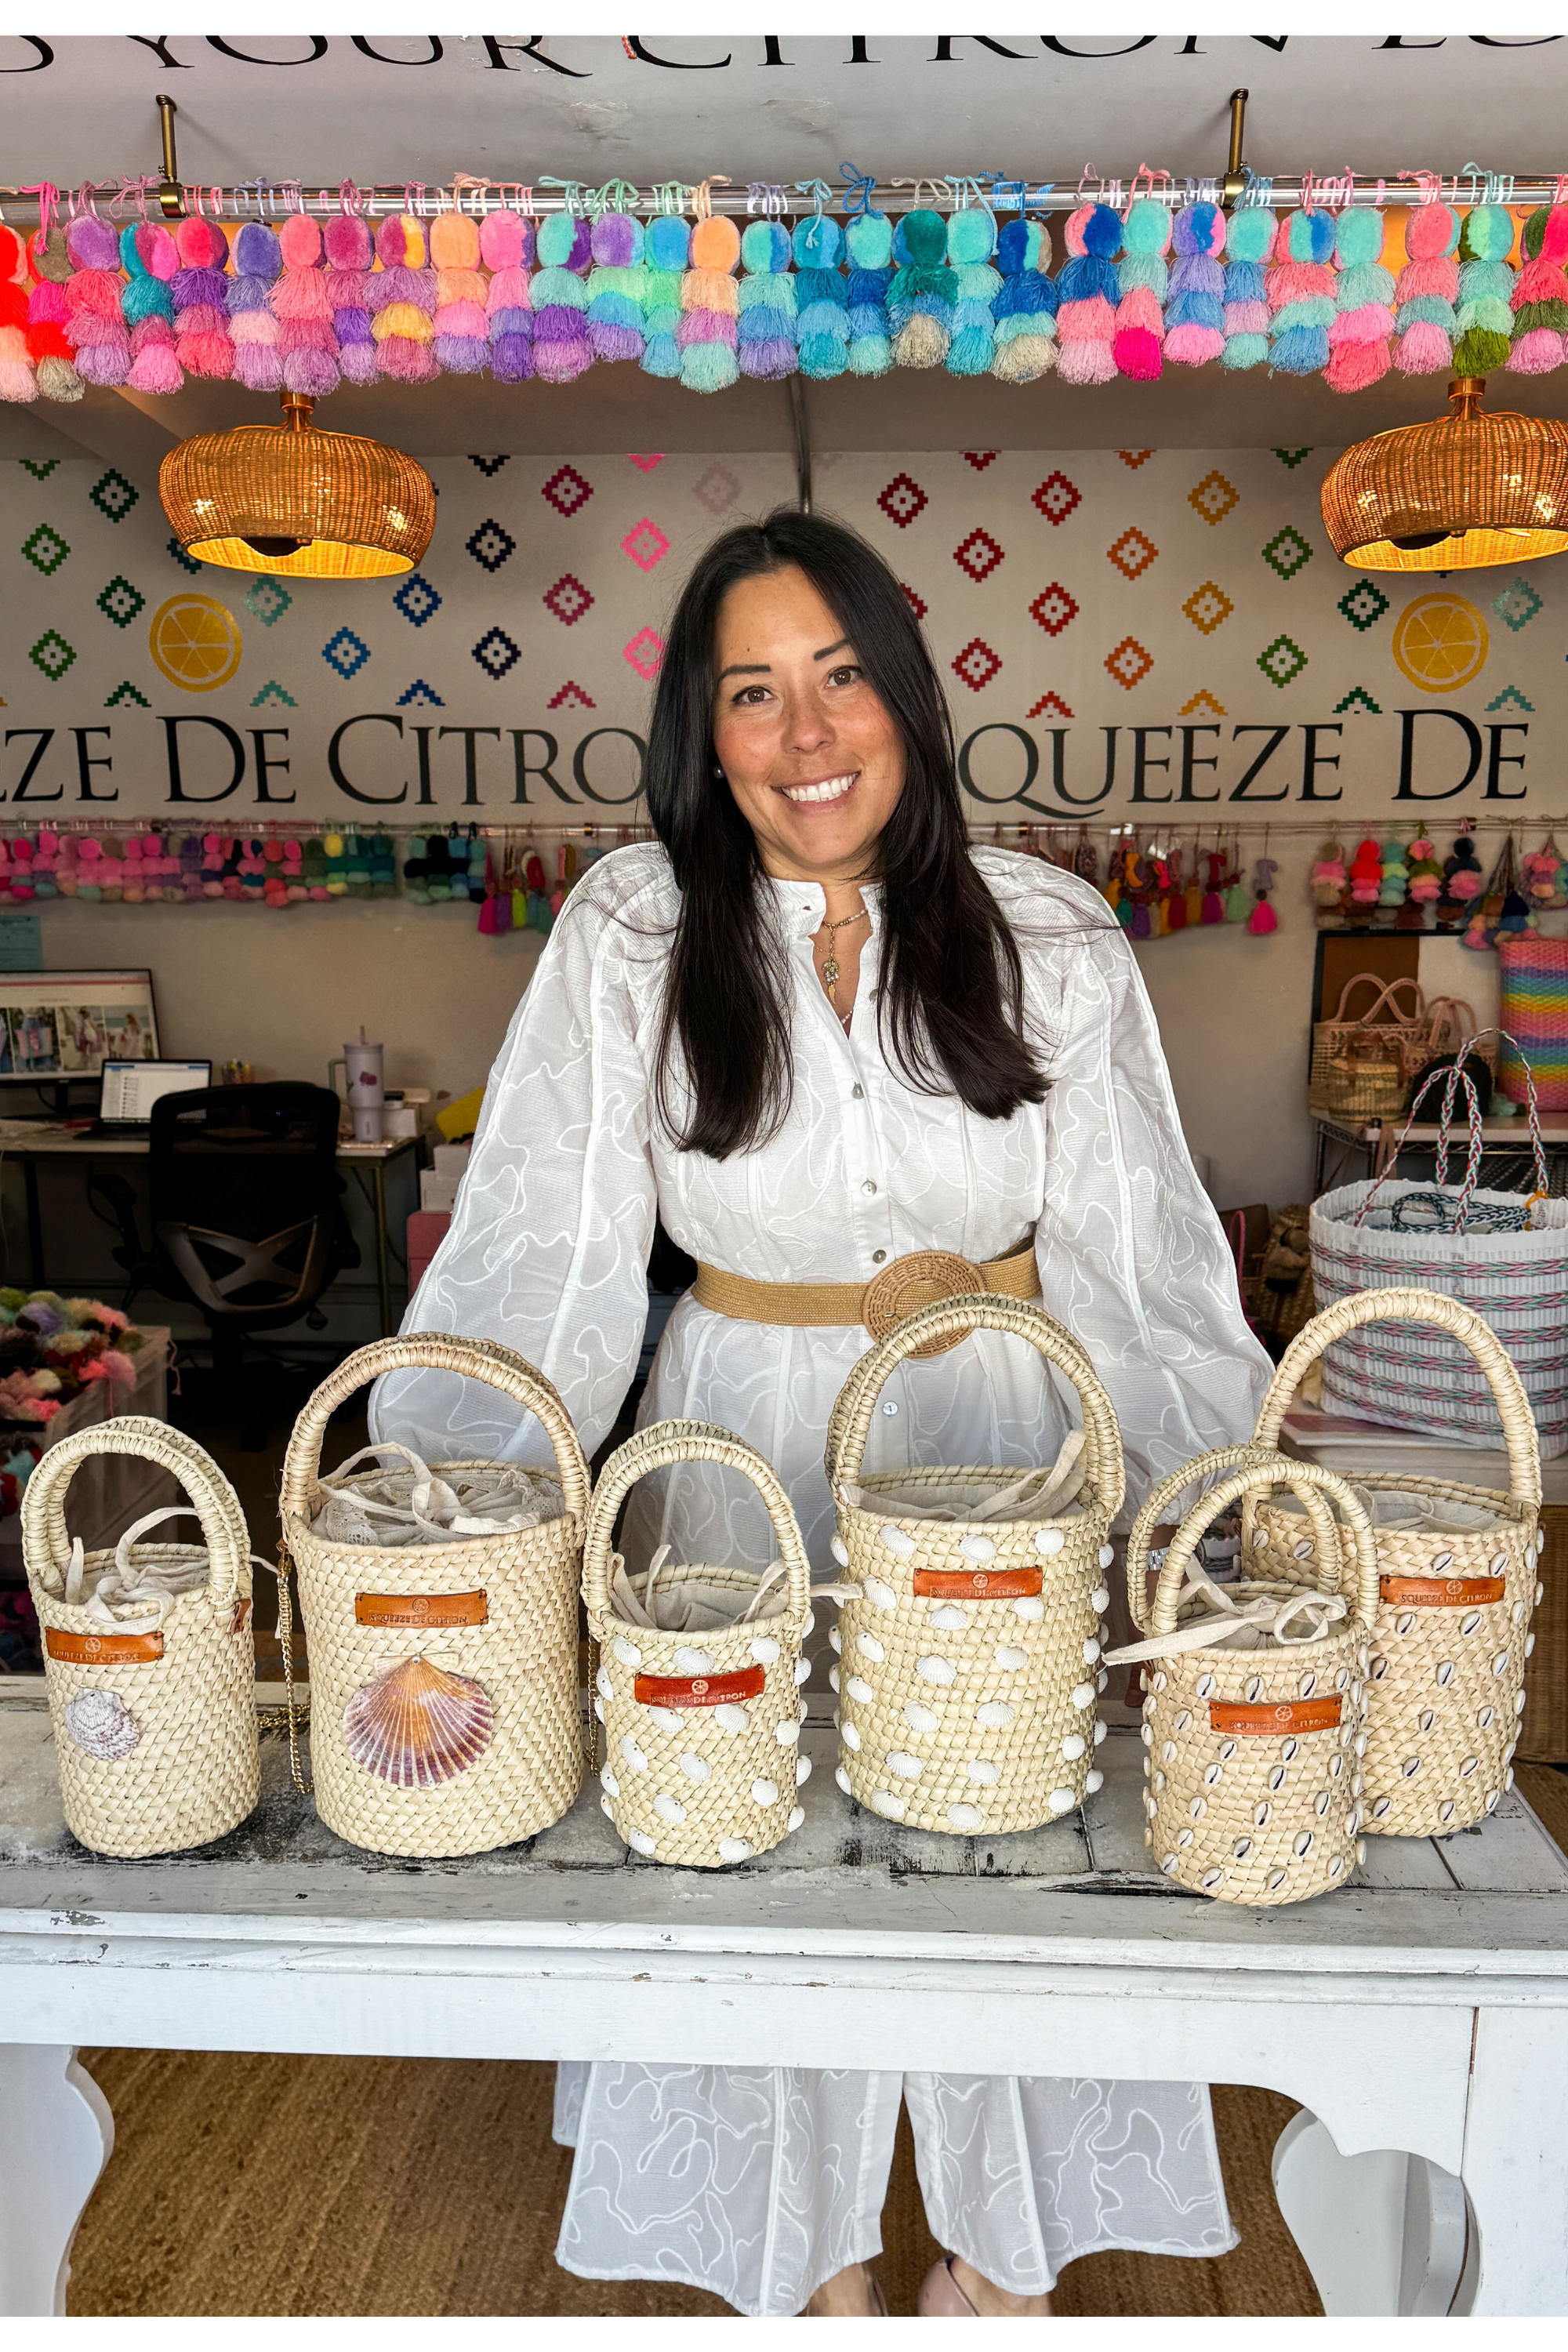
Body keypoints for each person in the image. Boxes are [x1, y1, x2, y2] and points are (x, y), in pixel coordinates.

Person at [372, 508, 1272, 2318]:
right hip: (738, 1448)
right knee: (750, 1831)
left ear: (907, 700)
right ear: (701, 738)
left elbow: (1137, 1246)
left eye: (840, 678)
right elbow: (545, 1248)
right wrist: (450, 1519)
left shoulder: (1046, 927)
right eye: (752, 694)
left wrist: (1214, 1498)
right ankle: (821, 2261)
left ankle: (996, 2264)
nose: (805, 738)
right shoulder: (634, 933)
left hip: (1006, 1437)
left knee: (1006, 1818)